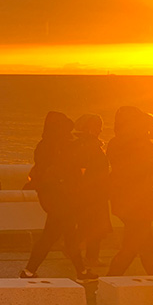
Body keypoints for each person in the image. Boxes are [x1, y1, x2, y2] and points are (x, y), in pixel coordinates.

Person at [20, 111, 96, 282]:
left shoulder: (44, 145)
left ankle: (79, 271)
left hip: (52, 197)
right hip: (61, 197)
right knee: (57, 235)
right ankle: (31, 271)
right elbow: (73, 166)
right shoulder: (60, 146)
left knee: (62, 235)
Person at [106, 107, 153, 276]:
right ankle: (109, 279)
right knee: (131, 246)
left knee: (145, 244)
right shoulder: (142, 147)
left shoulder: (115, 143)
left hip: (122, 200)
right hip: (140, 203)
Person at [73, 114, 111, 267]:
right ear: (88, 128)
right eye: (97, 126)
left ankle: (88, 255)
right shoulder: (88, 146)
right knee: (93, 226)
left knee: (91, 226)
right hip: (92, 193)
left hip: (94, 192)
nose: (100, 130)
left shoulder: (83, 144)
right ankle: (87, 255)